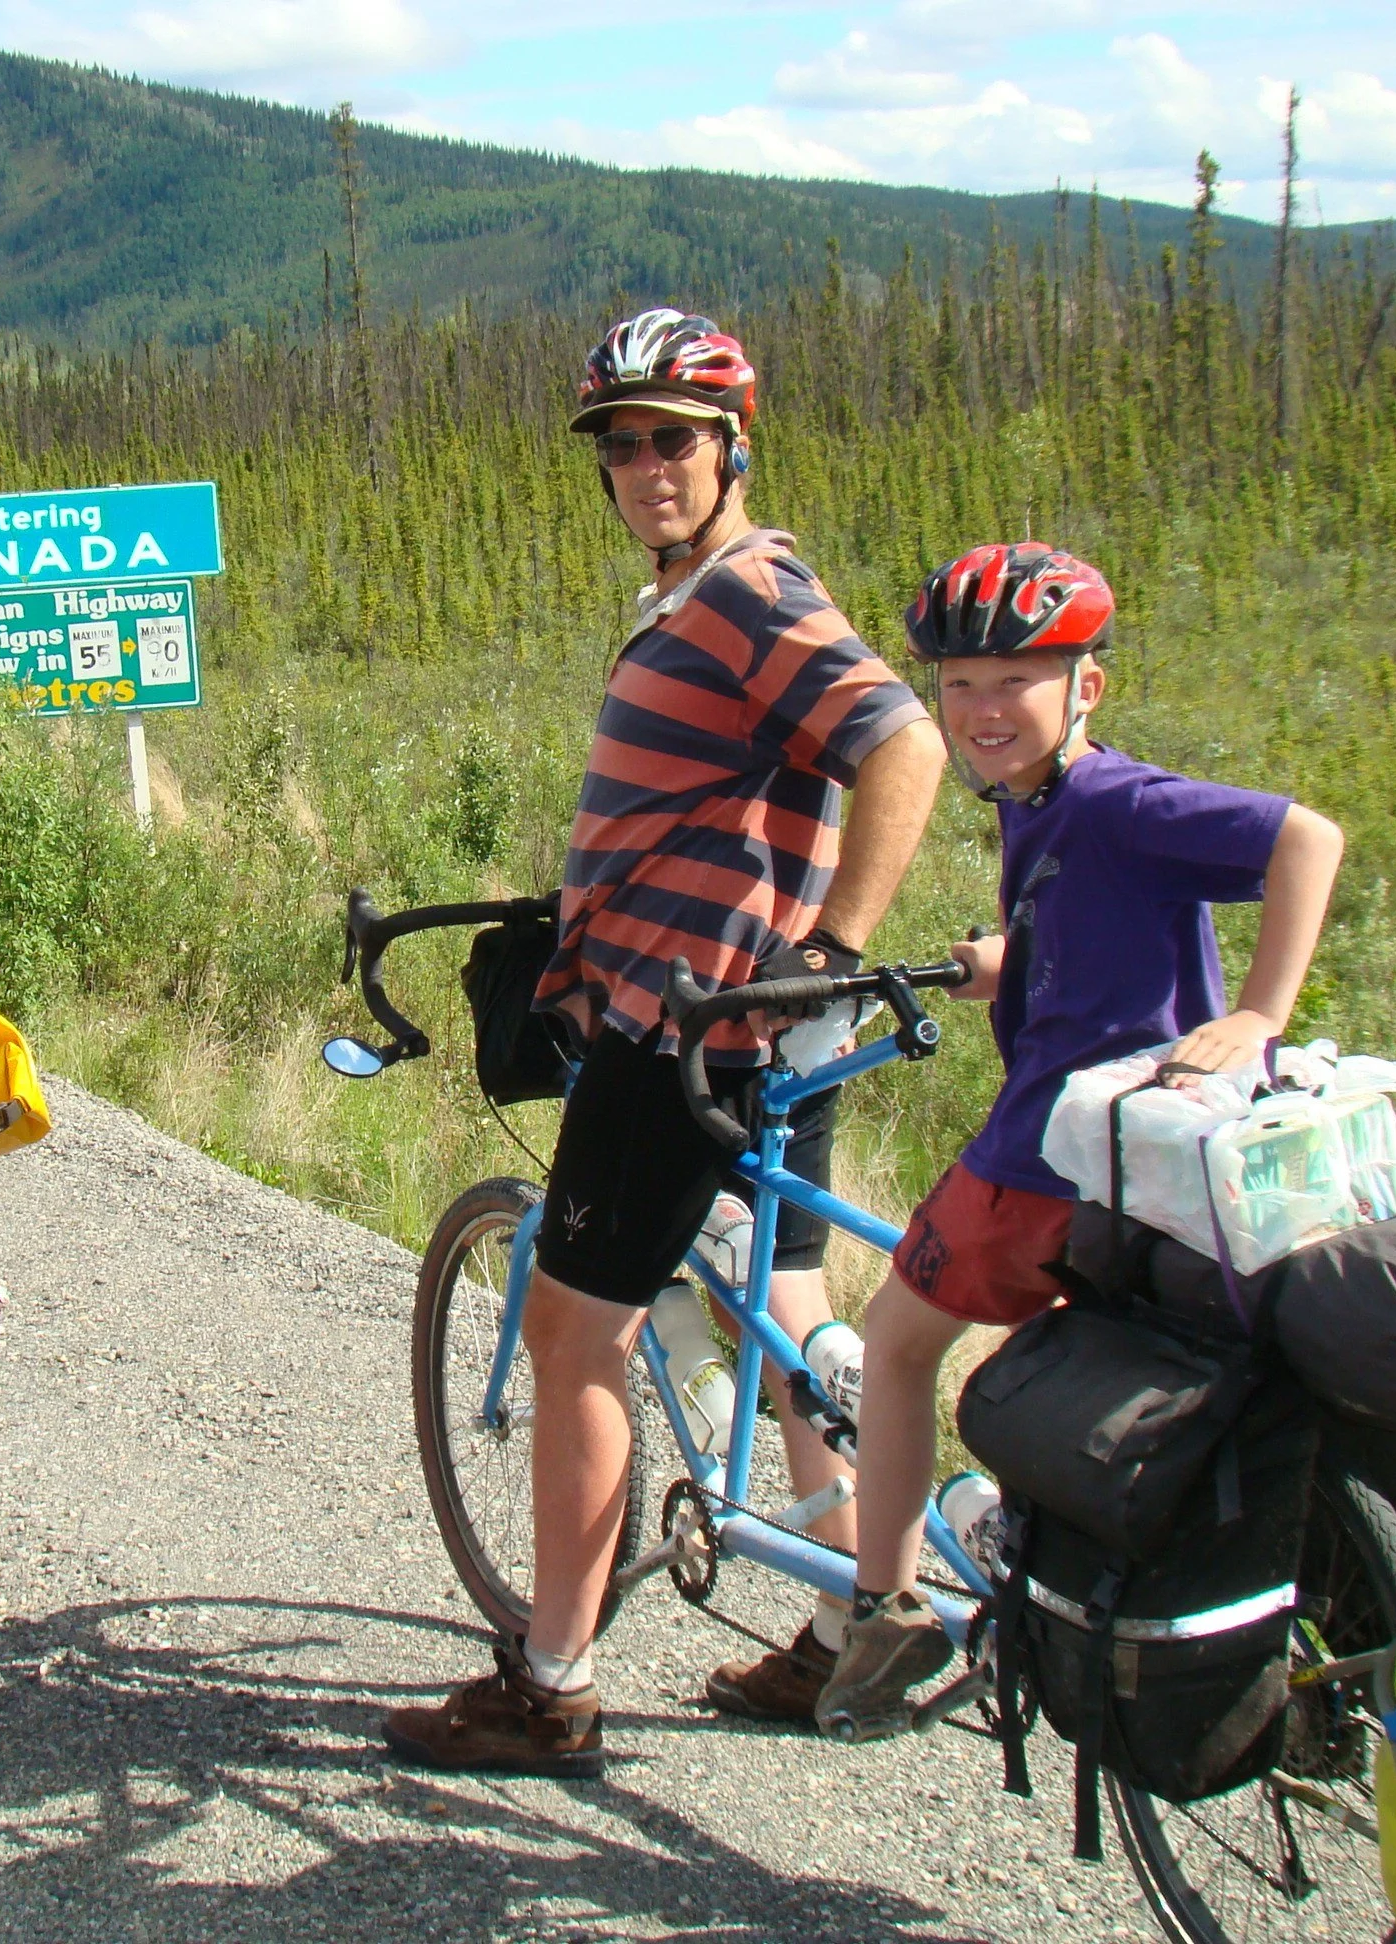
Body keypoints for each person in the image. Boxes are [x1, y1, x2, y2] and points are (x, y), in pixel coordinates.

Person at [384, 310, 947, 1776]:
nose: (645, 467)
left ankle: (550, 1680)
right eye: (622, 444)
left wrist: (826, 945)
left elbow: (903, 741)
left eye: (675, 440)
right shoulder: (694, 595)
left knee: (577, 1333)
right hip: (746, 1029)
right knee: (787, 1300)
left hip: (684, 1033)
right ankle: (857, 1610)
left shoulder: (750, 590)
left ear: (734, 446)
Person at [809, 540, 1347, 1739]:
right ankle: (1038, 1530)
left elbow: (1307, 840)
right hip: (1136, 1169)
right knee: (1061, 1361)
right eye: (958, 685)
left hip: (1046, 1163)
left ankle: (884, 1607)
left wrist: (1260, 1013)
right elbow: (1107, 932)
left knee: (898, 1343)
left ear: (1085, 688)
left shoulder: (1115, 800)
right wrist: (1011, 963)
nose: (984, 709)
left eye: (1017, 680)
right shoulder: (1040, 802)